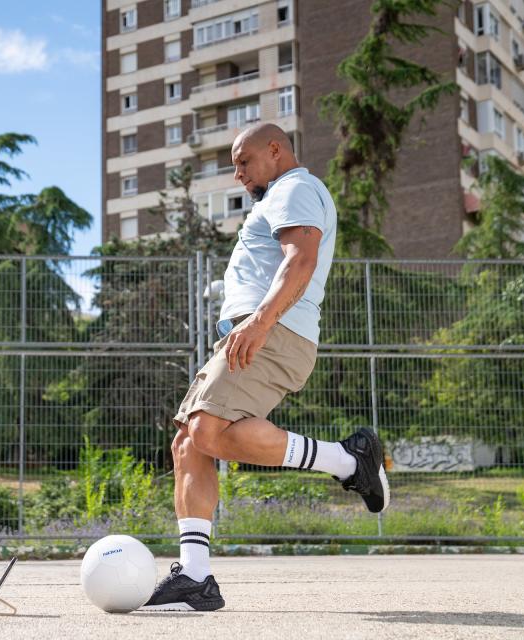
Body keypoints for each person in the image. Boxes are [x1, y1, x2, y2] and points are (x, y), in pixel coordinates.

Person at [141, 123, 390, 612]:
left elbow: (301, 259)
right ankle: (194, 576)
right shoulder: (277, 196)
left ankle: (349, 460)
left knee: (205, 430)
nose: (238, 174)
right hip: (257, 332)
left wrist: (259, 321)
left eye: (243, 161)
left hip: (272, 333)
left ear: (275, 150)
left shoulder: (294, 187)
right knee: (189, 441)